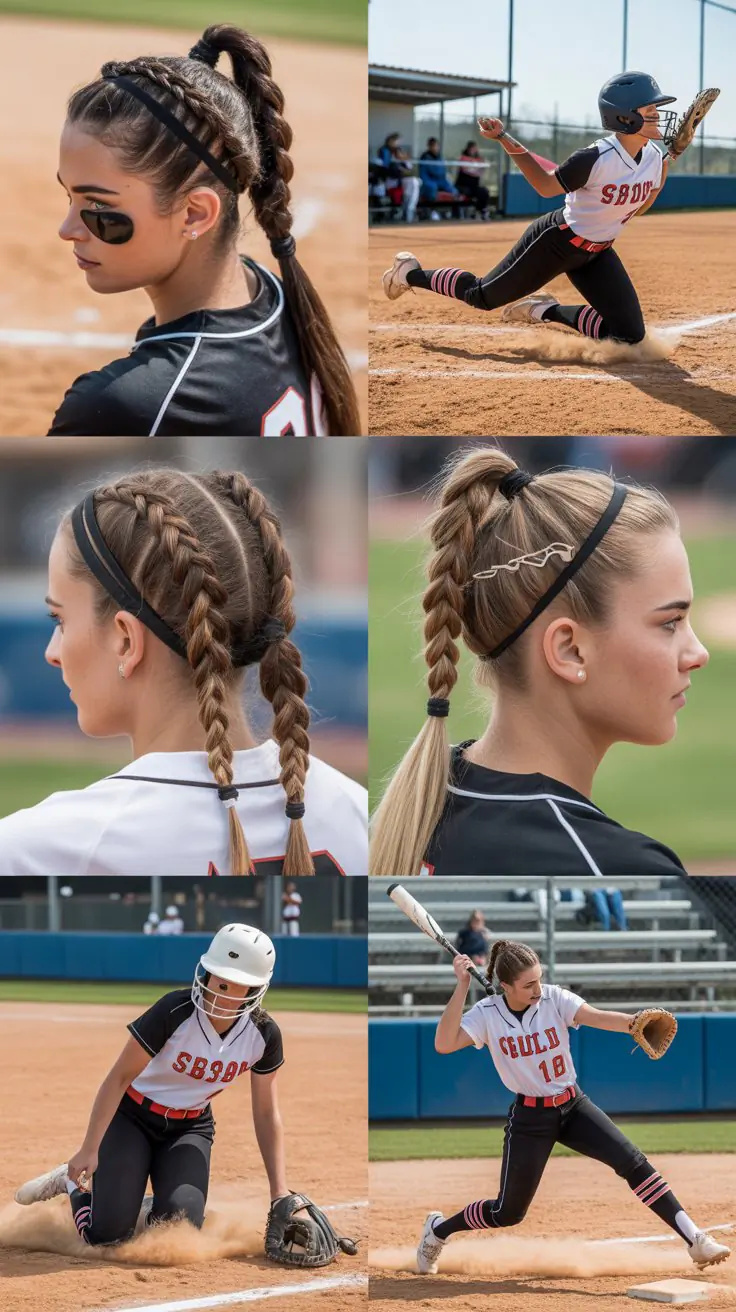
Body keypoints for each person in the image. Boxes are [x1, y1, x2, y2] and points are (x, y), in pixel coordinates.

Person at [0, 467, 367, 876]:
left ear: (125, 639)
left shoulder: (37, 850)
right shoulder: (356, 812)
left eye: (60, 621)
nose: (53, 652)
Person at [369, 447, 708, 876]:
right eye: (670, 622)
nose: (698, 654)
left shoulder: (412, 808)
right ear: (569, 649)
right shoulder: (615, 867)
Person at [50, 24, 359, 437]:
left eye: (99, 208)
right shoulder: (274, 293)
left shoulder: (124, 406)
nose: (67, 229)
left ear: (195, 214)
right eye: (69, 197)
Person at [14, 924, 346, 1251]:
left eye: (235, 985)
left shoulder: (263, 1035)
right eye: (218, 979)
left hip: (189, 1127)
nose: (220, 991)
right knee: (108, 1236)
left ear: (255, 989)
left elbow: (265, 1112)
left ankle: (136, 1202)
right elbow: (117, 1078)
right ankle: (74, 1185)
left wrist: (279, 1193)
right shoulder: (174, 1011)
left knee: (178, 1228)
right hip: (131, 1116)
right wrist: (89, 1148)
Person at [416, 939, 730, 1274]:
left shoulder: (554, 998)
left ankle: (695, 1239)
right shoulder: (487, 1015)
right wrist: (462, 987)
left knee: (634, 1163)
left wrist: (631, 1022)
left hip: (573, 1105)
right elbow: (444, 1043)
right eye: (528, 984)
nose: (537, 988)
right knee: (508, 1213)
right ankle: (438, 1231)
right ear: (505, 986)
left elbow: (593, 1016)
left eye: (539, 979)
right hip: (530, 1118)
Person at [383, 72, 678, 345]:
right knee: (481, 296)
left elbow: (639, 208)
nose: (657, 115)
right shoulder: (596, 157)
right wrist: (503, 138)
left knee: (629, 336)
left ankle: (544, 309)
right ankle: (409, 273)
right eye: (649, 110)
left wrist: (668, 161)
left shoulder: (652, 155)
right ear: (625, 117)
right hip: (556, 242)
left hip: (598, 252)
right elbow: (546, 187)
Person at [377, 133, 420, 223]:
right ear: (390, 141)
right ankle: (406, 210)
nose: (397, 143)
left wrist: (404, 160)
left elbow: (409, 167)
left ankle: (409, 209)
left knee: (415, 182)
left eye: (398, 142)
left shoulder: (398, 150)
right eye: (396, 141)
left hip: (402, 179)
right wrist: (400, 170)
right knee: (410, 185)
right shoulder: (384, 150)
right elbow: (386, 167)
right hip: (390, 179)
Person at [418, 138, 459, 212]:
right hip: (429, 181)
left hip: (442, 181)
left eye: (436, 146)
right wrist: (427, 182)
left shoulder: (440, 157)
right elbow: (423, 175)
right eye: (433, 146)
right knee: (432, 189)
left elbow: (443, 171)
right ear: (429, 147)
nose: (435, 148)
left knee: (454, 191)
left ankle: (455, 214)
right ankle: (432, 211)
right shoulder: (424, 157)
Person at [455, 142, 491, 218]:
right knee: (465, 193)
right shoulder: (463, 158)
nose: (473, 150)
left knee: (484, 192)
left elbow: (481, 171)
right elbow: (466, 169)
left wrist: (476, 169)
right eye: (472, 148)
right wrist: (475, 169)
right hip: (463, 186)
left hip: (474, 186)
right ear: (468, 149)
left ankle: (480, 211)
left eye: (475, 149)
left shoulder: (478, 159)